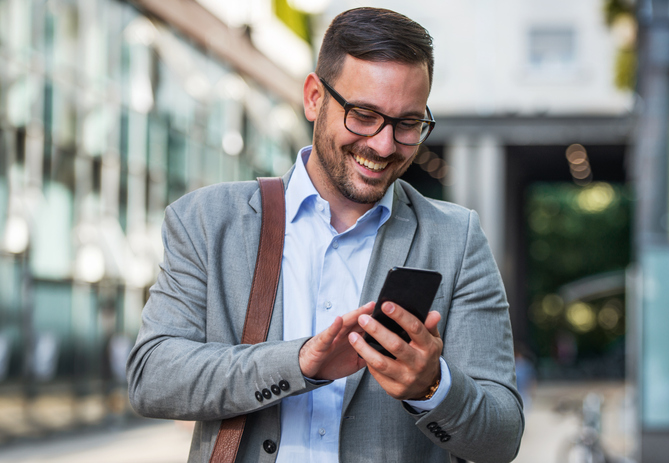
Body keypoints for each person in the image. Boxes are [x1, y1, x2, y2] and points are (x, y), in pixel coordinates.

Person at [127, 7, 523, 463]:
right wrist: (299, 363)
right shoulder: (206, 221)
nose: (383, 144)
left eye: (407, 124)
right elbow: (150, 378)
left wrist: (432, 387)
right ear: (314, 97)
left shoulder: (457, 240)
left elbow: (502, 437)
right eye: (364, 114)